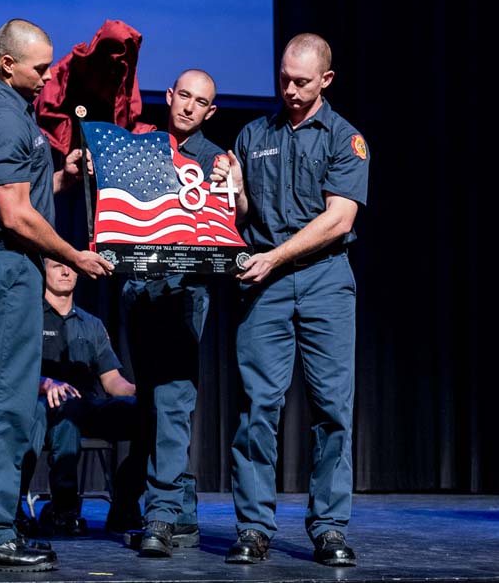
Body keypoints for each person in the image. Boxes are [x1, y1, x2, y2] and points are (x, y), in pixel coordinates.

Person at [0, 18, 113, 572]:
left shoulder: (11, 110)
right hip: (2, 263)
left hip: (11, 263)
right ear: (7, 64)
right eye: (40, 68)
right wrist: (72, 255)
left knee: (12, 402)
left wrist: (61, 177)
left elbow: (26, 191)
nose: (49, 78)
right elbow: (15, 213)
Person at [212, 33, 369, 567]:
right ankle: (254, 527)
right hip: (266, 284)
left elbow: (339, 218)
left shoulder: (344, 139)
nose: (290, 89)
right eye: (283, 78)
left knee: (332, 410)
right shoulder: (255, 134)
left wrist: (275, 257)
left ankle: (328, 528)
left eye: (301, 81)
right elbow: (243, 213)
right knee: (258, 407)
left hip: (324, 279)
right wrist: (233, 188)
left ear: (325, 80)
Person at [122, 69, 222, 557]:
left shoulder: (215, 160)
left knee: (173, 401)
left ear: (209, 111)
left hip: (183, 295)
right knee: (151, 405)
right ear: (169, 96)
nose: (188, 106)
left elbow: (231, 221)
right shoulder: (141, 147)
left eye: (199, 101)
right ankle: (178, 511)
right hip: (139, 290)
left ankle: (160, 516)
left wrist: (230, 187)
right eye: (183, 95)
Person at [15, 258, 141, 538]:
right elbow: (14, 370)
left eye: (71, 266)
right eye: (56, 266)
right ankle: (62, 509)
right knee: (66, 415)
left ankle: (124, 503)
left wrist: (138, 391)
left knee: (149, 414)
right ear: (42, 273)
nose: (65, 271)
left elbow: (112, 381)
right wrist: (46, 384)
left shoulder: (91, 324)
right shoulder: (28, 317)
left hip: (88, 407)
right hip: (41, 406)